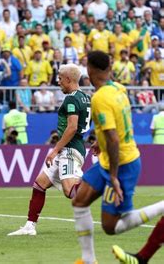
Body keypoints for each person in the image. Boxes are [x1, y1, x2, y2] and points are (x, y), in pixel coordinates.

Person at [72, 51, 164, 264]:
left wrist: (113, 176)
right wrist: (99, 141)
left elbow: (113, 139)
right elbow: (117, 126)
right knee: (80, 201)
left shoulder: (100, 98)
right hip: (109, 159)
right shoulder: (118, 88)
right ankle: (88, 260)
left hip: (122, 164)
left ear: (89, 69)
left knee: (110, 227)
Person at [8, 64, 91, 236]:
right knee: (40, 184)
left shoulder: (71, 99)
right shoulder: (85, 97)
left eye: (60, 79)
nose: (58, 82)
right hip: (74, 148)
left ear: (68, 79)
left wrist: (55, 150)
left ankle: (99, 181)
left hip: (69, 149)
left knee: (70, 191)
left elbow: (72, 127)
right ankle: (30, 226)